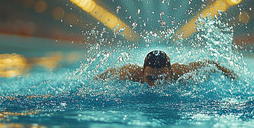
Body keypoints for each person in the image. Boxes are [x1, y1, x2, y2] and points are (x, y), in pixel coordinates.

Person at [97, 50, 237, 86]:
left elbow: (211, 64)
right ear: (142, 73)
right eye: (150, 78)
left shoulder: (181, 73)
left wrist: (233, 76)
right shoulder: (130, 74)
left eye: (163, 78)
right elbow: (108, 73)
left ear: (170, 72)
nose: (156, 83)